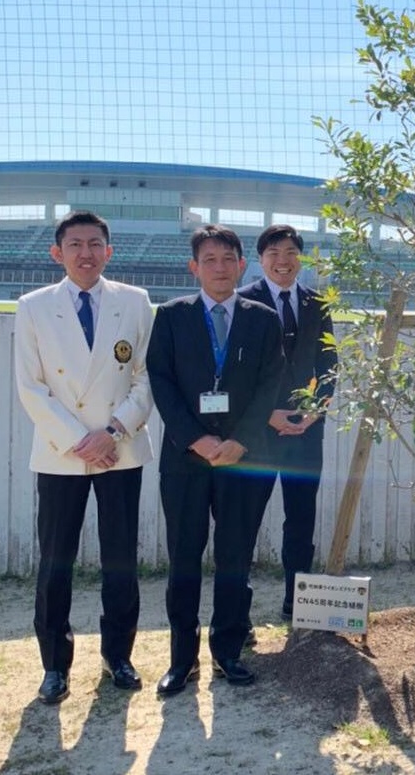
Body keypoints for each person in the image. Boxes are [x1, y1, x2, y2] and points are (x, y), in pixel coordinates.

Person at [14, 211, 154, 704]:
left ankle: (119, 655)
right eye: (75, 244)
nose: (86, 253)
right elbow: (31, 387)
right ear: (57, 252)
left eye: (95, 243)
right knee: (55, 561)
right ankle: (55, 664)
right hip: (61, 453)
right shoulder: (33, 306)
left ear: (109, 251)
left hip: (121, 447)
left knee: (121, 558)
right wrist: (82, 439)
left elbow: (146, 376)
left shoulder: (135, 302)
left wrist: (112, 431)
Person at [146, 224, 284, 695]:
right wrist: (195, 439)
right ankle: (181, 660)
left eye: (228, 259)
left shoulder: (262, 318)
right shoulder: (172, 316)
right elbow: (160, 380)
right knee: (184, 558)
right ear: (194, 267)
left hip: (242, 458)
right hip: (186, 460)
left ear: (242, 265)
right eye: (210, 259)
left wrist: (240, 440)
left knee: (234, 558)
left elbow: (270, 383)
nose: (220, 268)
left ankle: (228, 652)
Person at [238, 224, 338, 619]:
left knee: (301, 517)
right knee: (246, 518)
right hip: (257, 433)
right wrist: (266, 415)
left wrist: (315, 410)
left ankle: (298, 604)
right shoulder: (244, 301)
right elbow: (237, 371)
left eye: (291, 253)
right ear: (261, 259)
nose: (283, 261)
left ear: (301, 258)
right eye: (274, 253)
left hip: (305, 431)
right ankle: (238, 608)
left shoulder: (317, 303)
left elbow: (329, 364)